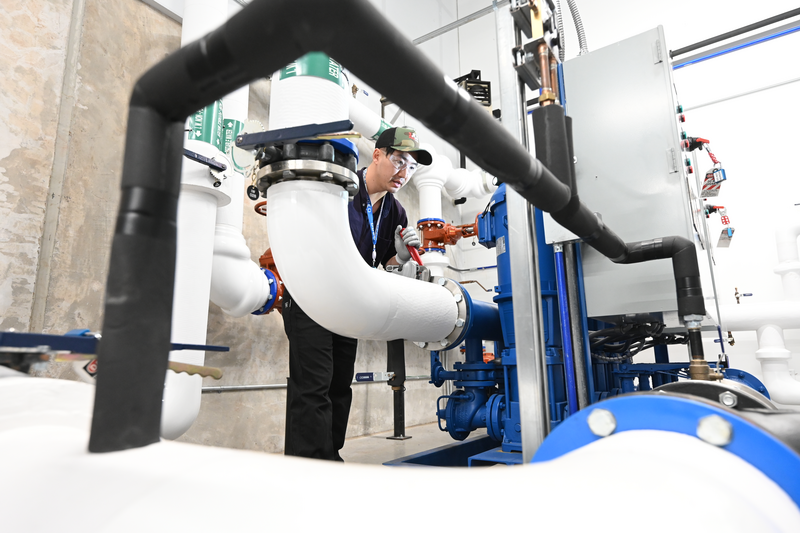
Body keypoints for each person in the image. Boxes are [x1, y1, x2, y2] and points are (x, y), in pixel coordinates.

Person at [282, 127, 432, 461]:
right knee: (314, 386)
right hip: (311, 293)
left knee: (338, 387)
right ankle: (310, 466)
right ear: (376, 155)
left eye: (411, 167)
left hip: (347, 303)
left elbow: (385, 262)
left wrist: (402, 256)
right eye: (399, 161)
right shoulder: (340, 185)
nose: (404, 173)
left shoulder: (395, 212)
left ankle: (329, 456)